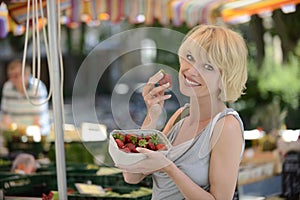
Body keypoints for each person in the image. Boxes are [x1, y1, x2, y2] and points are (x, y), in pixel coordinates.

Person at [117, 25, 248, 199]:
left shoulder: (226, 126)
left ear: (225, 78)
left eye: (208, 66)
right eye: (189, 57)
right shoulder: (179, 117)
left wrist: (168, 167)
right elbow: (132, 175)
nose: (191, 70)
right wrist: (152, 116)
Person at [1, 59, 50, 136]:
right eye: (10, 76)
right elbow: (5, 118)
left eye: (16, 75)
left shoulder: (37, 88)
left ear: (26, 74)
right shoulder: (8, 87)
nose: (12, 79)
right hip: (15, 136)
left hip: (36, 135)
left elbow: (38, 122)